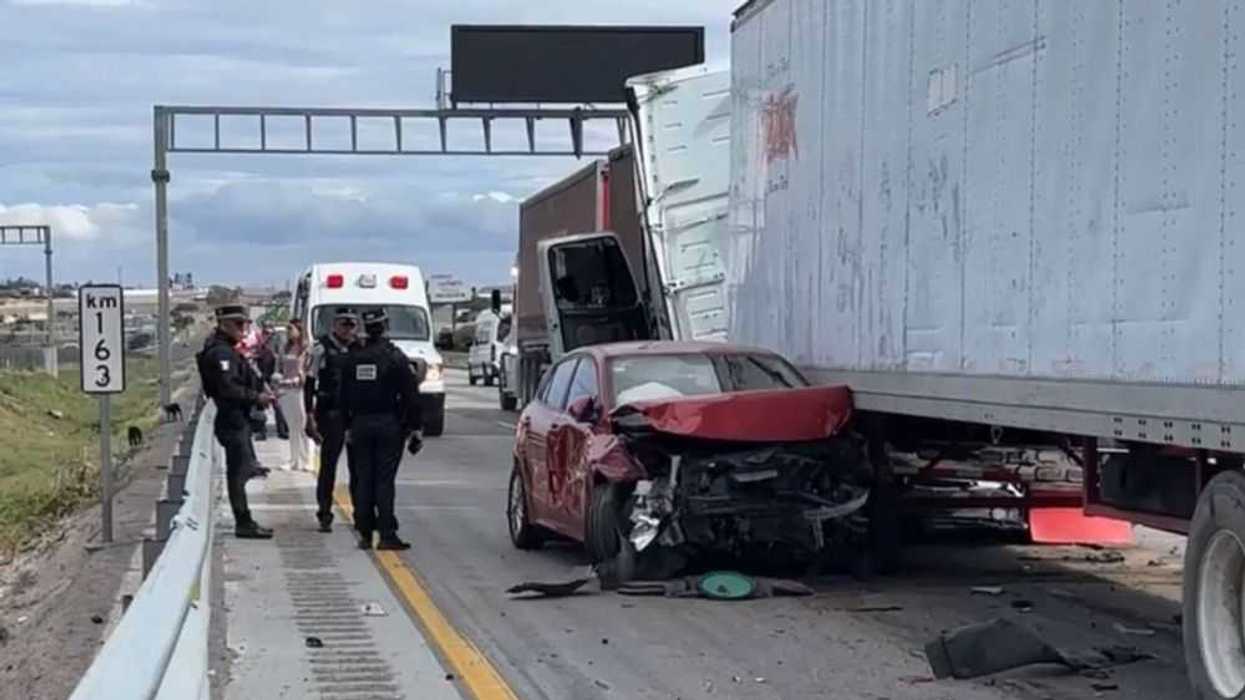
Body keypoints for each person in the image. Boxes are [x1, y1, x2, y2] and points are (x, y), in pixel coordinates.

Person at [340, 308, 422, 550]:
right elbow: (411, 395)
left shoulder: (353, 357)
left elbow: (342, 396)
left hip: (360, 424)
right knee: (384, 481)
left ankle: (365, 534)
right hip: (388, 424)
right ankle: (386, 534)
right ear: (385, 325)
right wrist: (415, 428)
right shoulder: (394, 356)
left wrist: (347, 426)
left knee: (364, 478)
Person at [197, 305, 275, 539]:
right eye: (239, 325)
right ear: (224, 324)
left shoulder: (228, 350)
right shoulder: (221, 353)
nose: (244, 329)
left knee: (242, 470)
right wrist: (256, 397)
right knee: (237, 474)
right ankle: (243, 521)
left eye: (246, 325)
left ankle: (245, 519)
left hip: (238, 418)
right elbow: (228, 388)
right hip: (231, 419)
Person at [304, 307, 362, 532]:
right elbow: (309, 384)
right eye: (344, 324)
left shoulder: (359, 349)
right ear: (334, 325)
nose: (348, 329)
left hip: (354, 416)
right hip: (330, 415)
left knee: (358, 468)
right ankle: (325, 513)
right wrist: (309, 416)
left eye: (352, 324)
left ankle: (361, 513)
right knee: (328, 467)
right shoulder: (320, 349)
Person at [278, 319, 311, 471]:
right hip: (285, 388)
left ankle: (306, 459)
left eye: (290, 329)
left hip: (299, 389)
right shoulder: (285, 348)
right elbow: (279, 368)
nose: (288, 332)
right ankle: (293, 460)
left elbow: (307, 370)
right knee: (292, 426)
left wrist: (299, 377)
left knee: (301, 425)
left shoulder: (305, 349)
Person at [255, 322, 290, 440]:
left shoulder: (276, 345)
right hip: (261, 378)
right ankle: (262, 431)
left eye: (269, 333)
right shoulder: (259, 346)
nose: (267, 335)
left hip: (273, 378)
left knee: (278, 405)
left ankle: (283, 430)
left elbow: (278, 362)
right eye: (265, 333)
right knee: (261, 406)